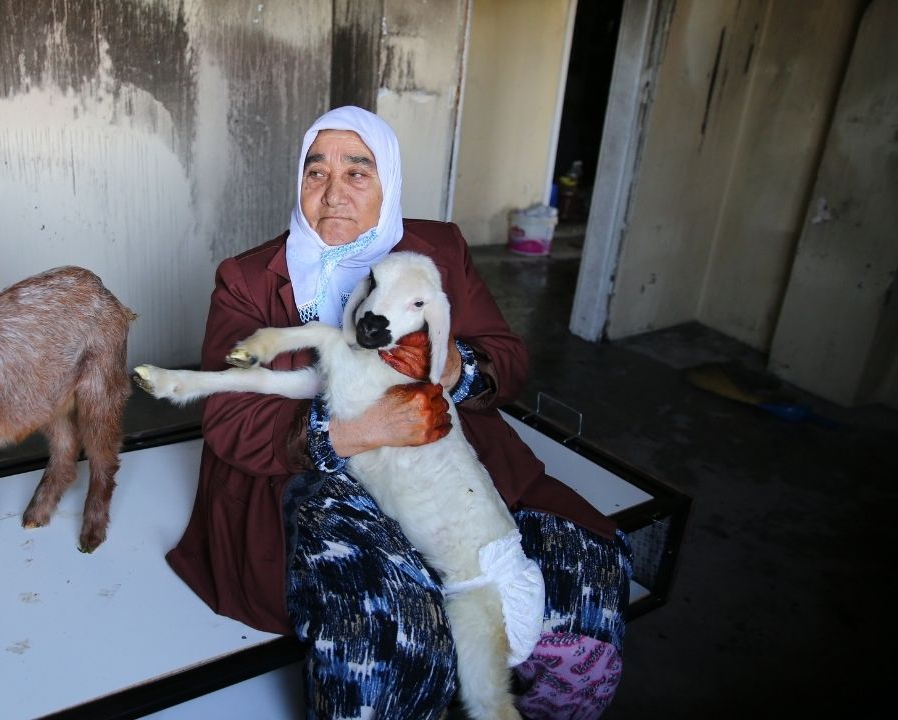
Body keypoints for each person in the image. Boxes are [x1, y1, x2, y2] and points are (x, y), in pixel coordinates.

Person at [166, 106, 632, 720]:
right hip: (318, 477)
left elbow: (508, 361)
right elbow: (229, 421)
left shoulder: (437, 247)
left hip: (447, 463)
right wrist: (359, 430)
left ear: (389, 184)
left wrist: (455, 368)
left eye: (358, 172)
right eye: (316, 173)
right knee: (392, 636)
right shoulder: (249, 279)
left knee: (585, 589)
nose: (332, 194)